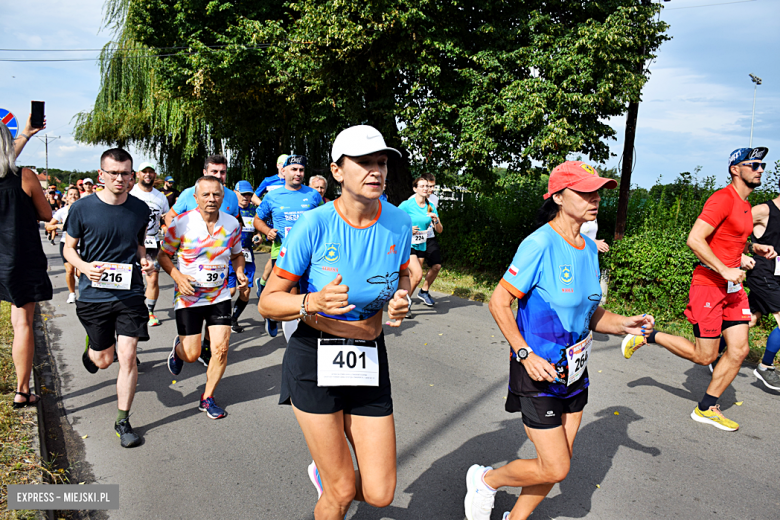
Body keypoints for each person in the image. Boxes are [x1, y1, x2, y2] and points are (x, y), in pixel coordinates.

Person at [464, 161, 654, 520]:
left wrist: (624, 324)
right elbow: (499, 300)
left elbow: (591, 314)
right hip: (538, 370)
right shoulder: (539, 244)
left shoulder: (587, 248)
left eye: (597, 192)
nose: (595, 199)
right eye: (585, 192)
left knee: (555, 463)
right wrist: (524, 353)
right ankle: (486, 480)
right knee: (556, 467)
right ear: (559, 197)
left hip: (575, 371)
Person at [258, 125, 412, 520]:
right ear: (337, 171)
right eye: (363, 163)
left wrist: (401, 297)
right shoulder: (315, 224)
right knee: (341, 489)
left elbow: (403, 274)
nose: (376, 171)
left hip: (369, 358)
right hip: (315, 356)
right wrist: (312, 300)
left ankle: (327, 470)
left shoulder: (398, 222)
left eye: (381, 162)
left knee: (380, 493)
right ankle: (332, 475)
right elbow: (268, 303)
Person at [621, 147, 775, 431]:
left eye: (762, 165)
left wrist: (752, 248)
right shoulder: (722, 199)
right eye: (754, 164)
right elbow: (695, 239)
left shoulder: (744, 204)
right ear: (735, 169)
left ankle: (707, 407)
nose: (761, 169)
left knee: (740, 350)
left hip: (732, 288)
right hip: (709, 285)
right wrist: (725, 269)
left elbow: (727, 239)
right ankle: (648, 336)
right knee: (704, 356)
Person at [63, 148, 154, 448]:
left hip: (129, 293)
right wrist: (85, 267)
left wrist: (144, 260)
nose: (119, 178)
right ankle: (94, 346)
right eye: (113, 172)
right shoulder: (82, 208)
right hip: (94, 296)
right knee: (103, 361)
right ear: (101, 174)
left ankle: (123, 420)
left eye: (125, 173)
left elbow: (139, 245)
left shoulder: (141, 209)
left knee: (127, 356)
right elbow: (68, 249)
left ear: (132, 176)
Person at [159, 176, 246, 420]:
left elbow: (238, 255)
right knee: (192, 354)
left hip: (218, 295)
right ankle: (178, 351)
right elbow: (163, 255)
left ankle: (207, 398)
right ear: (195, 198)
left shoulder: (232, 224)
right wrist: (178, 276)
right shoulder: (182, 224)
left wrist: (239, 271)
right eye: (205, 195)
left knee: (220, 349)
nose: (211, 199)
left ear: (223, 197)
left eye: (216, 194)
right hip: (189, 296)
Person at [0, 115, 52, 410]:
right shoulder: (26, 177)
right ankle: (22, 391)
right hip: (19, 258)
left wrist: (28, 134)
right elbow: (46, 214)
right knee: (22, 324)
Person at [253, 154, 323, 337]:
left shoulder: (313, 195)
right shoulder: (272, 197)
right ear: (283, 172)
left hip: (311, 255)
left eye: (301, 170)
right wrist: (267, 231)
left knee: (308, 292)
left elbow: (325, 221)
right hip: (284, 253)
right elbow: (257, 220)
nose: (298, 173)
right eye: (294, 169)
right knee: (290, 294)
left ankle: (306, 331)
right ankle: (283, 323)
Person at [744, 186, 780, 390]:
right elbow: (731, 231)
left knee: (750, 319)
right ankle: (765, 367)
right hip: (762, 272)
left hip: (777, 275)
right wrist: (745, 252)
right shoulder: (764, 211)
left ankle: (716, 354)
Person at [130, 162, 170, 326]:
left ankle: (150, 313)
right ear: (138, 174)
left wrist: (166, 227)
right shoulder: (130, 193)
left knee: (152, 279)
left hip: (152, 241)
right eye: (144, 171)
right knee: (133, 278)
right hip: (131, 241)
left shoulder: (160, 197)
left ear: (154, 175)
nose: (148, 174)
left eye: (151, 172)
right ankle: (133, 311)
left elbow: (165, 218)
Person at [398, 175, 442, 313]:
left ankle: (404, 302)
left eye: (427, 186)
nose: (425, 188)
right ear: (415, 188)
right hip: (407, 244)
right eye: (422, 186)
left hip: (422, 244)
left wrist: (436, 221)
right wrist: (408, 229)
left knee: (414, 278)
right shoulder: (407, 204)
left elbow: (440, 230)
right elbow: (394, 221)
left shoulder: (430, 207)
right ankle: (403, 303)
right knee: (417, 274)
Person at [164, 154, 239, 226]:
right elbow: (169, 217)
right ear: (205, 172)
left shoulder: (232, 196)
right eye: (214, 171)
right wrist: (178, 238)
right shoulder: (188, 193)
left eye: (222, 172)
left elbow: (236, 223)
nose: (218, 176)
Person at [251, 154, 289, 296]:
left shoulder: (292, 182)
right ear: (278, 166)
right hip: (272, 223)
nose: (286, 167)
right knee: (277, 253)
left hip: (287, 221)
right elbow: (254, 196)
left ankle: (263, 282)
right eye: (283, 164)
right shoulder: (269, 181)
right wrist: (266, 206)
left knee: (279, 254)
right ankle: (268, 286)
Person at [228, 181, 258, 333]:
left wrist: (258, 236)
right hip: (230, 255)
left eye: (249, 195)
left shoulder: (254, 210)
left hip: (247, 254)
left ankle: (234, 319)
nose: (246, 197)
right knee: (231, 290)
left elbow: (260, 228)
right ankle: (222, 318)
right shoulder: (230, 209)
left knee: (245, 292)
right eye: (243, 194)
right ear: (235, 192)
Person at [46, 186, 81, 303]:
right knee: (70, 270)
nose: (73, 197)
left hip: (82, 244)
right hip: (65, 243)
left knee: (80, 272)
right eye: (71, 194)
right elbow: (48, 226)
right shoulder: (62, 211)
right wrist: (57, 226)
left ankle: (85, 293)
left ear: (79, 196)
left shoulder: (84, 210)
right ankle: (72, 294)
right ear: (66, 197)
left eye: (75, 194)